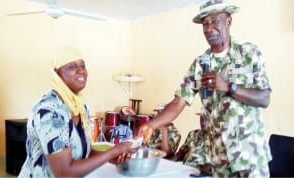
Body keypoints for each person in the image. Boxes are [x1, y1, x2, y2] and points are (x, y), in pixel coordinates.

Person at [137, 0, 272, 177]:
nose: (209, 29)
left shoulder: (249, 53)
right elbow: (178, 102)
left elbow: (264, 99)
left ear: (228, 21)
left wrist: (229, 87)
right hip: (219, 160)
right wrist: (152, 125)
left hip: (250, 156)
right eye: (205, 24)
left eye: (215, 21)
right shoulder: (200, 64)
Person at [19, 46, 138, 177]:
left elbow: (84, 153)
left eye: (83, 65)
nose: (81, 70)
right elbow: (65, 173)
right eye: (72, 66)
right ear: (57, 74)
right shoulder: (50, 111)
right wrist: (112, 152)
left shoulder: (79, 107)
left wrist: (111, 157)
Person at [171, 112, 212, 176]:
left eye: (206, 119)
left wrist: (210, 169)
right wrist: (169, 163)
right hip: (185, 169)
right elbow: (181, 152)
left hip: (203, 173)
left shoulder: (218, 138)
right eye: (201, 119)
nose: (203, 122)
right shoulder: (193, 134)